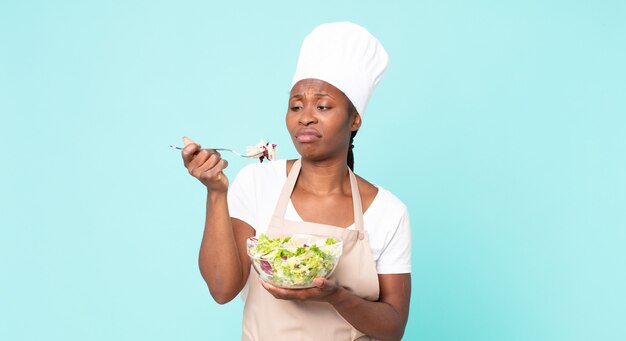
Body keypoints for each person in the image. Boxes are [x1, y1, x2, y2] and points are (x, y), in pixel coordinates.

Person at [180, 22, 411, 341]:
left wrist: (335, 295)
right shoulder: (257, 183)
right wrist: (216, 192)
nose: (306, 117)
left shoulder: (388, 211)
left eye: (323, 106)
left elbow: (393, 328)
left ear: (354, 119)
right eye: (296, 105)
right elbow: (222, 289)